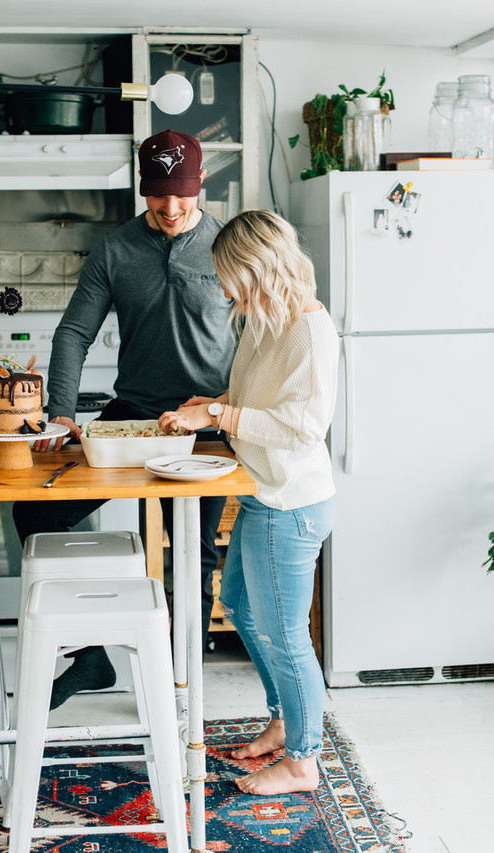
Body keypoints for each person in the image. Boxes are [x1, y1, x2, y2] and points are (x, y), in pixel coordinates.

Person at [13, 129, 235, 710]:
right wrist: (60, 413)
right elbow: (74, 333)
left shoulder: (230, 245)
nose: (170, 208)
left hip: (208, 425)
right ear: (143, 190)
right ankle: (91, 655)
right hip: (135, 417)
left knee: (195, 551)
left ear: (200, 184)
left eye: (182, 195)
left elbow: (262, 329)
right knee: (36, 512)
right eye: (159, 196)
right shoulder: (114, 250)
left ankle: (178, 680)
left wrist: (235, 410)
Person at [158, 210, 339, 796]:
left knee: (284, 632)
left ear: (257, 267)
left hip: (290, 499)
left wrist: (218, 415)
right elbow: (251, 394)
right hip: (262, 491)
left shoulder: (310, 329)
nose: (225, 287)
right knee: (239, 603)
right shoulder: (266, 318)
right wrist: (210, 402)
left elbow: (303, 427)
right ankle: (286, 720)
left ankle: (304, 761)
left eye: (229, 275)